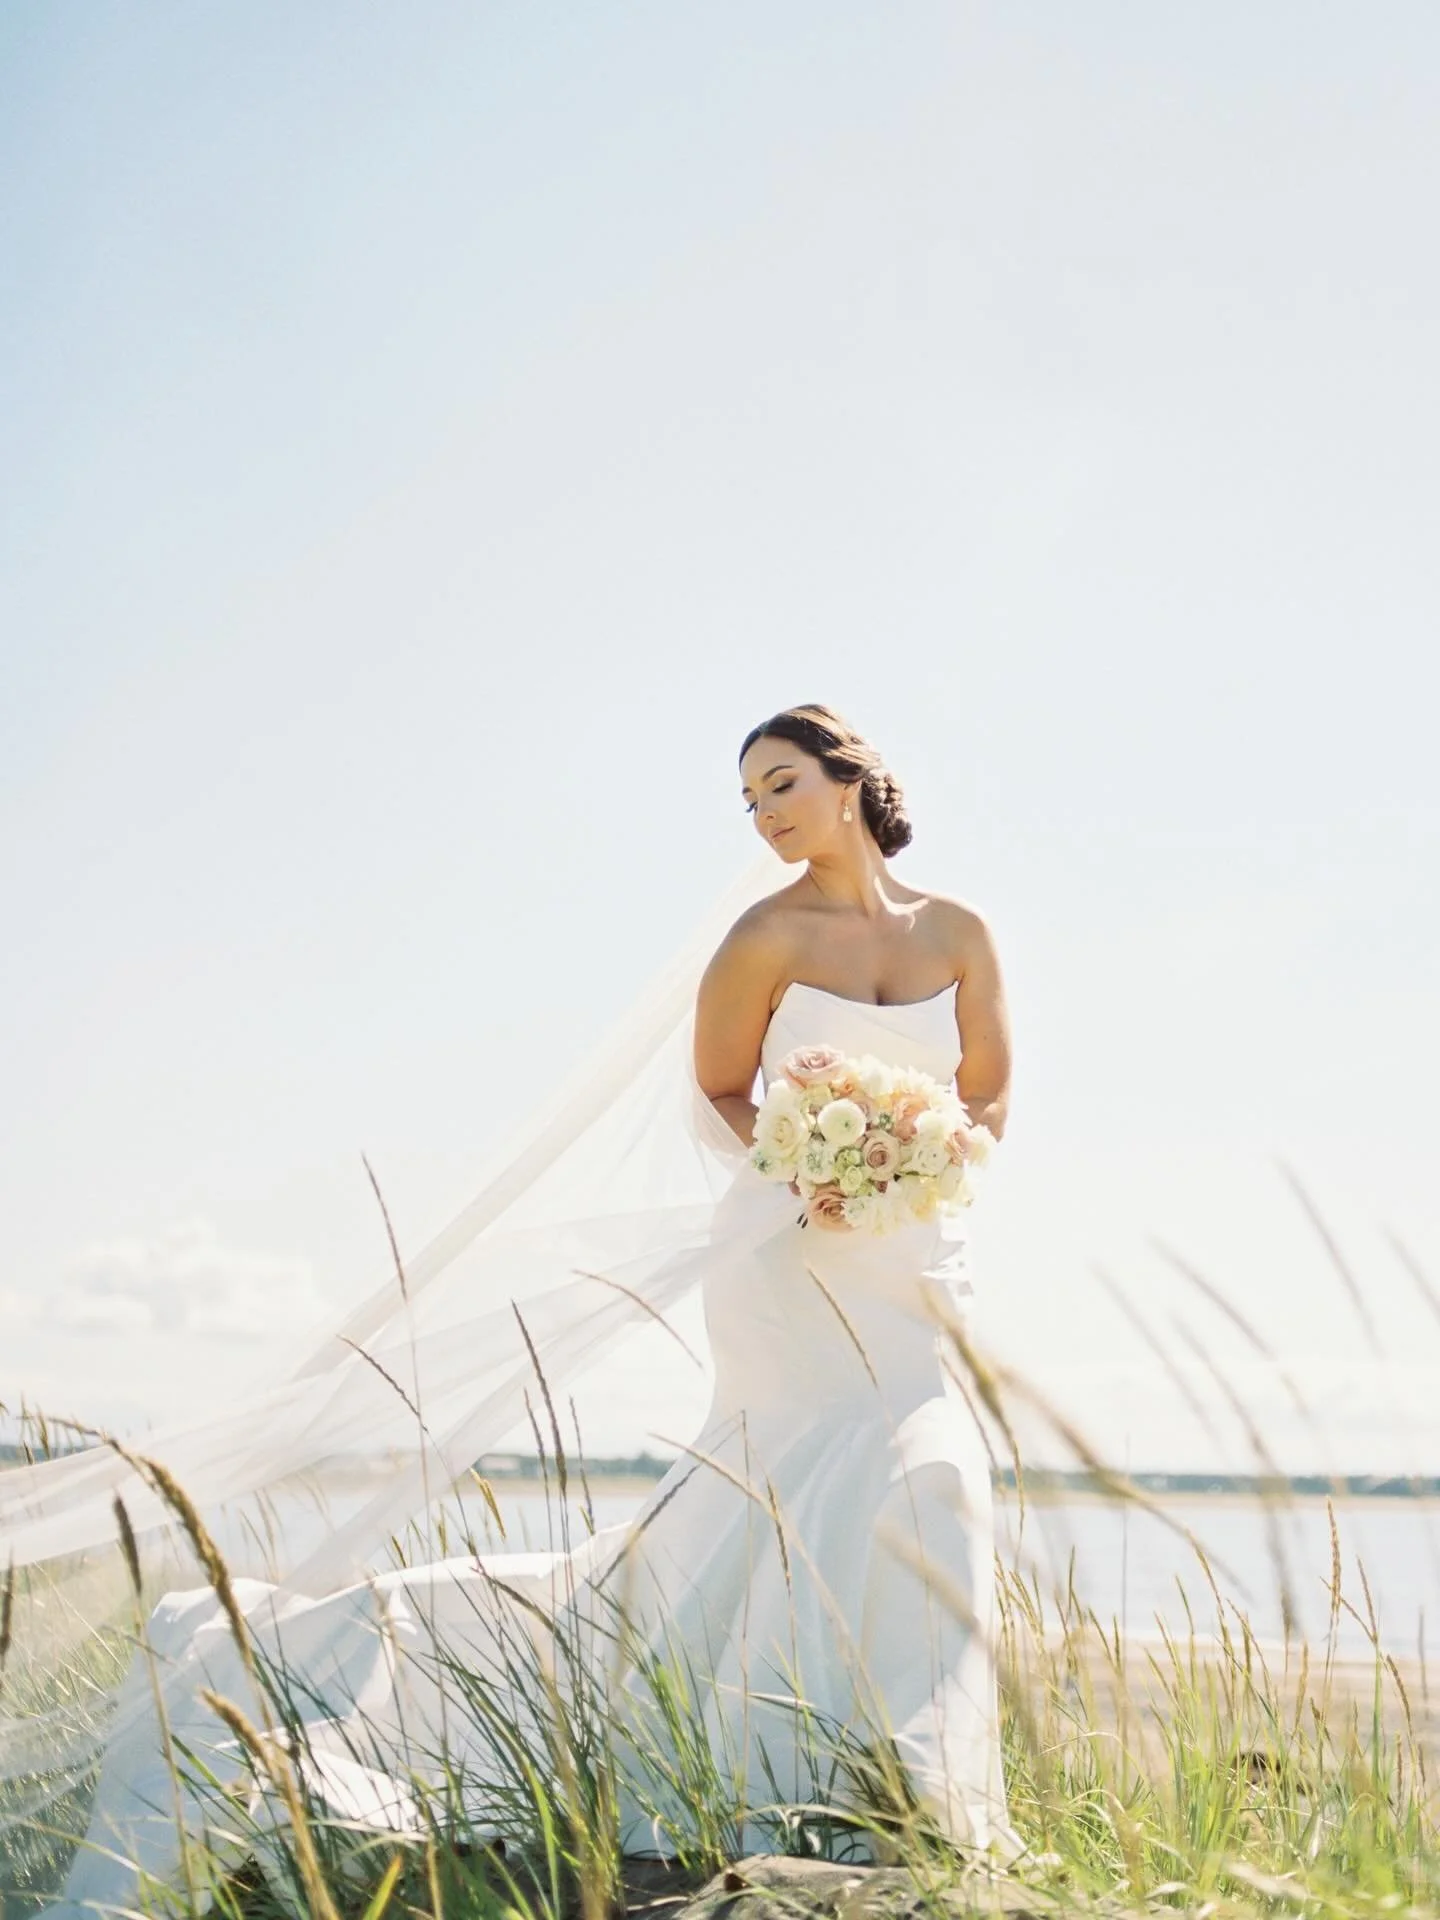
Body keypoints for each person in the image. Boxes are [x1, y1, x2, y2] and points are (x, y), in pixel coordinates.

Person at [2, 704, 1015, 1916]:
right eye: (749, 799)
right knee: (792, 1485)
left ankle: (923, 1792)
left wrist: (922, 1166)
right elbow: (718, 1090)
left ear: (852, 780)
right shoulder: (762, 937)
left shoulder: (962, 932)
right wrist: (811, 1175)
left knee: (935, 1473)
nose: (767, 814)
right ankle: (767, 1778)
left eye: (783, 783)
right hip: (792, 1259)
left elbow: (990, 1097)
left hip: (917, 1259)